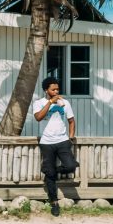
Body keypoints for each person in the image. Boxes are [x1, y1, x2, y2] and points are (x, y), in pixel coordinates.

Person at [32, 77, 78, 216]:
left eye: (57, 89)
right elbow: (38, 117)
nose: (56, 91)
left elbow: (71, 121)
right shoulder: (39, 103)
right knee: (51, 175)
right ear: (46, 90)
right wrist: (50, 102)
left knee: (71, 166)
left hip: (62, 141)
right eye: (53, 89)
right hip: (46, 142)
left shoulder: (65, 103)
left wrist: (70, 138)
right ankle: (54, 203)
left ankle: (50, 171)